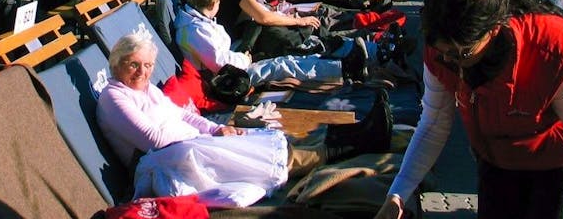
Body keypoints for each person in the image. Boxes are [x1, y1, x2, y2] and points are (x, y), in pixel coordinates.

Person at [374, 0, 563, 219]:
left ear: (492, 31)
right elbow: (434, 124)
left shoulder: (550, 52)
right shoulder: (443, 49)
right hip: (497, 154)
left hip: (559, 156)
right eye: (443, 52)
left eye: (460, 54)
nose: (448, 61)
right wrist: (398, 194)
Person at [97, 33, 390, 207]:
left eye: (147, 65)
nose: (143, 72)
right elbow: (154, 139)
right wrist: (211, 139)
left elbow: (182, 114)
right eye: (133, 64)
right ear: (116, 63)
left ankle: (352, 135)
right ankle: (355, 143)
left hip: (188, 146)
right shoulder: (113, 97)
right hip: (168, 163)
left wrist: (217, 128)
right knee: (264, 155)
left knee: (265, 140)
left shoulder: (145, 89)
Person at [217, 0, 367, 75]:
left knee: (310, 27)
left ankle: (346, 47)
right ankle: (349, 49)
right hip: (241, 45)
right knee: (294, 32)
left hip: (248, 39)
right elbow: (264, 18)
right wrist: (298, 21)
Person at [176, 0, 343, 85]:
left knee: (258, 31)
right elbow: (219, 63)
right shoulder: (195, 30)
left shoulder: (200, 23)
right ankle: (339, 68)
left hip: (233, 59)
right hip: (227, 77)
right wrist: (245, 58)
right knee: (282, 65)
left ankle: (324, 52)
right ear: (213, 4)